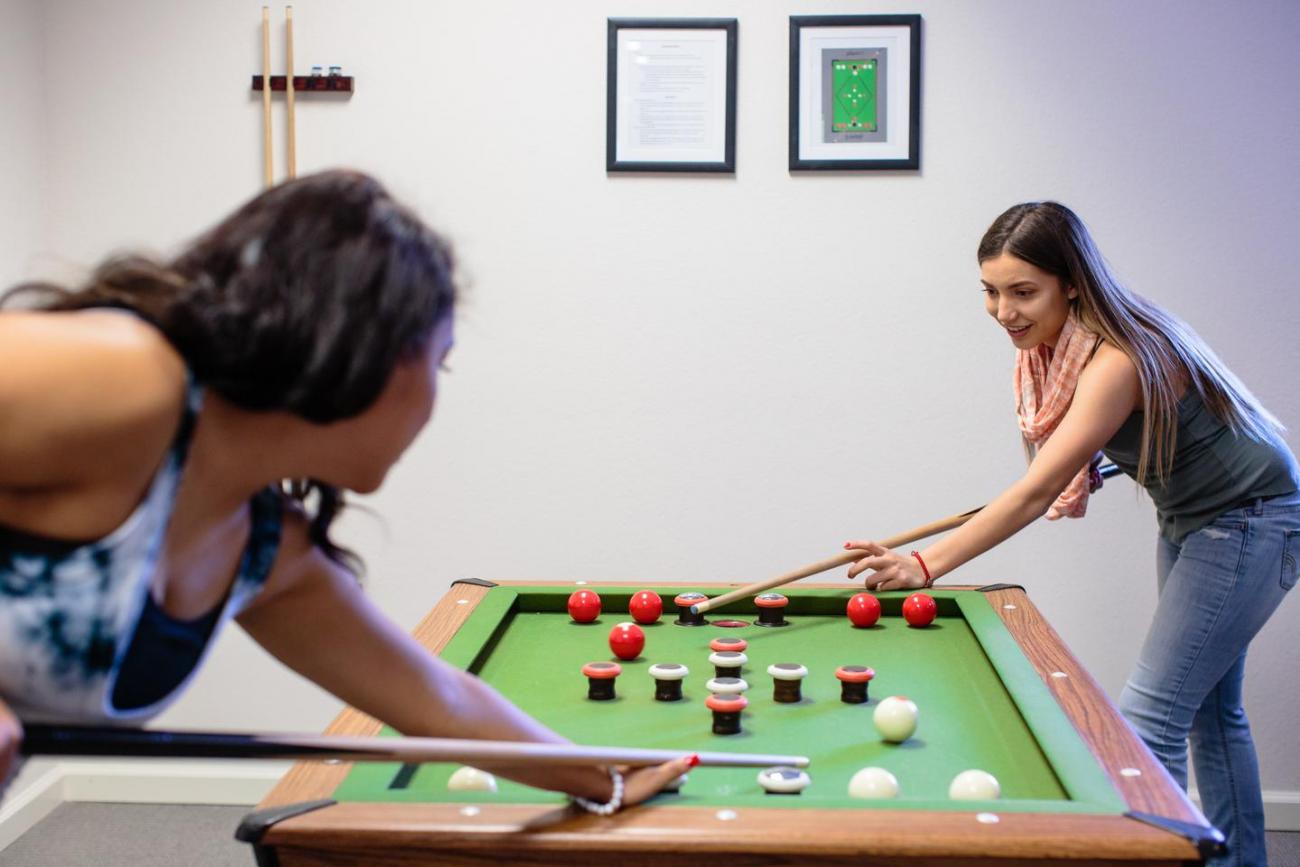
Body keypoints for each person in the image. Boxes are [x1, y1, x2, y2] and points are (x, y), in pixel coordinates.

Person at [0, 169, 690, 812]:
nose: (433, 399)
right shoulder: (130, 378)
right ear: (375, 352)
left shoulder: (262, 550)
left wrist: (602, 774)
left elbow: (439, 699)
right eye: (439, 360)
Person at [843, 201, 1297, 867]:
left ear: (1072, 282)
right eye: (992, 292)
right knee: (1210, 713)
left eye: (1024, 291)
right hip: (1197, 517)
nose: (1005, 311)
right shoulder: (1055, 355)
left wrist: (924, 563)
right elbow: (1053, 461)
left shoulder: (1115, 359)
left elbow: (1034, 492)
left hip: (1248, 519)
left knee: (1150, 718)